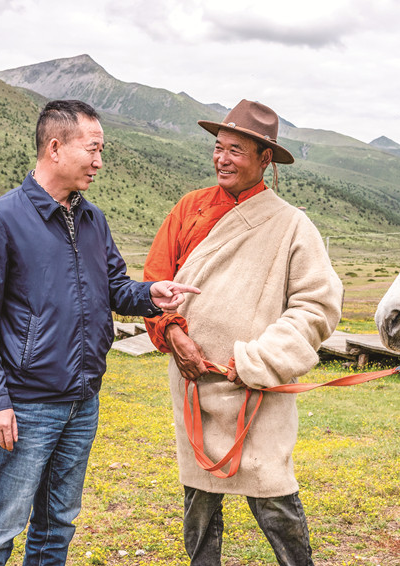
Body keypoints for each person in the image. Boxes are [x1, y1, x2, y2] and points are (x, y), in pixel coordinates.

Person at [0, 99, 199, 565]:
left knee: (58, 525)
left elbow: (114, 288)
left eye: (100, 150)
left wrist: (151, 294)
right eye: (93, 149)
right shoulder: (0, 220)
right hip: (26, 405)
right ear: (55, 147)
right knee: (0, 529)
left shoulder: (92, 219)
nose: (99, 161)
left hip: (83, 401)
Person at [144, 99, 343, 566]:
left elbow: (317, 306)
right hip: (194, 382)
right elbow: (155, 285)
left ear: (264, 158)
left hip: (257, 385)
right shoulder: (189, 210)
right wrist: (174, 336)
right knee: (198, 501)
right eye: (219, 147)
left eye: (235, 150)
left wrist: (260, 361)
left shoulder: (292, 225)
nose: (222, 159)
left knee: (274, 493)